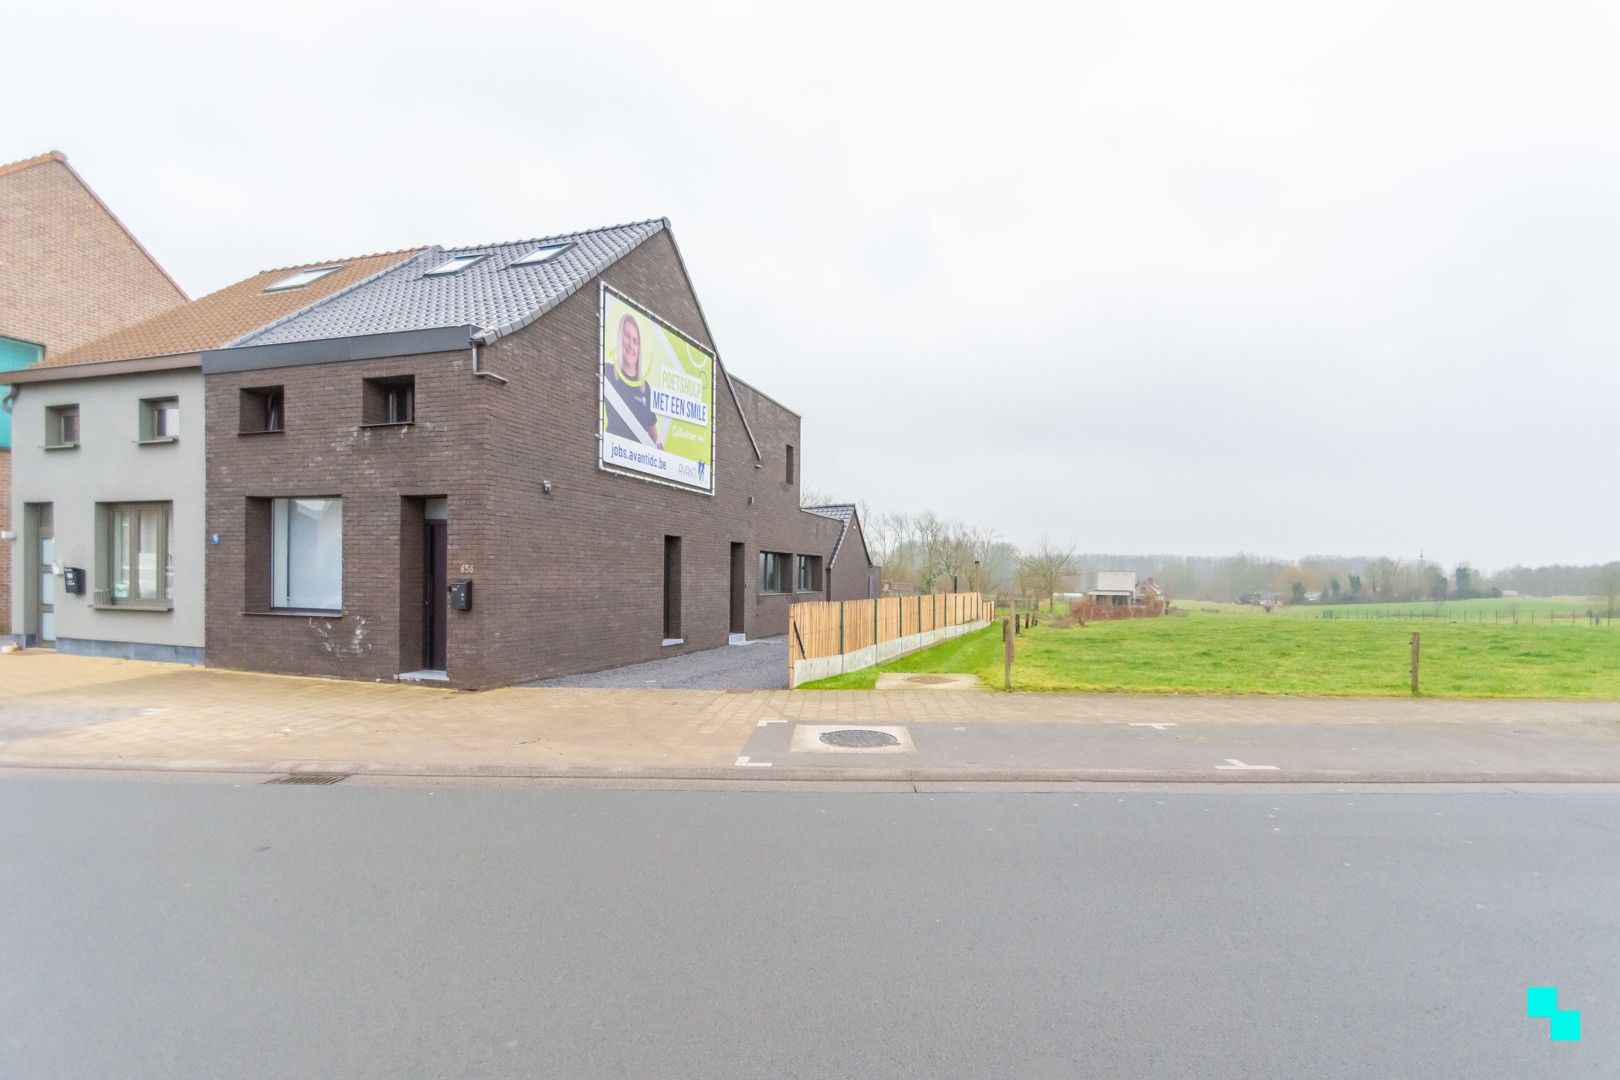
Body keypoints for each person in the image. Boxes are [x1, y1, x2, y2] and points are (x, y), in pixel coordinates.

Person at [602, 312, 660, 447]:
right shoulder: (607, 372)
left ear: (639, 348)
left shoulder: (645, 387)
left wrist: (660, 450)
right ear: (619, 337)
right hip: (612, 452)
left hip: (638, 460)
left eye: (635, 340)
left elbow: (653, 432)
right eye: (627, 335)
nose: (630, 344)